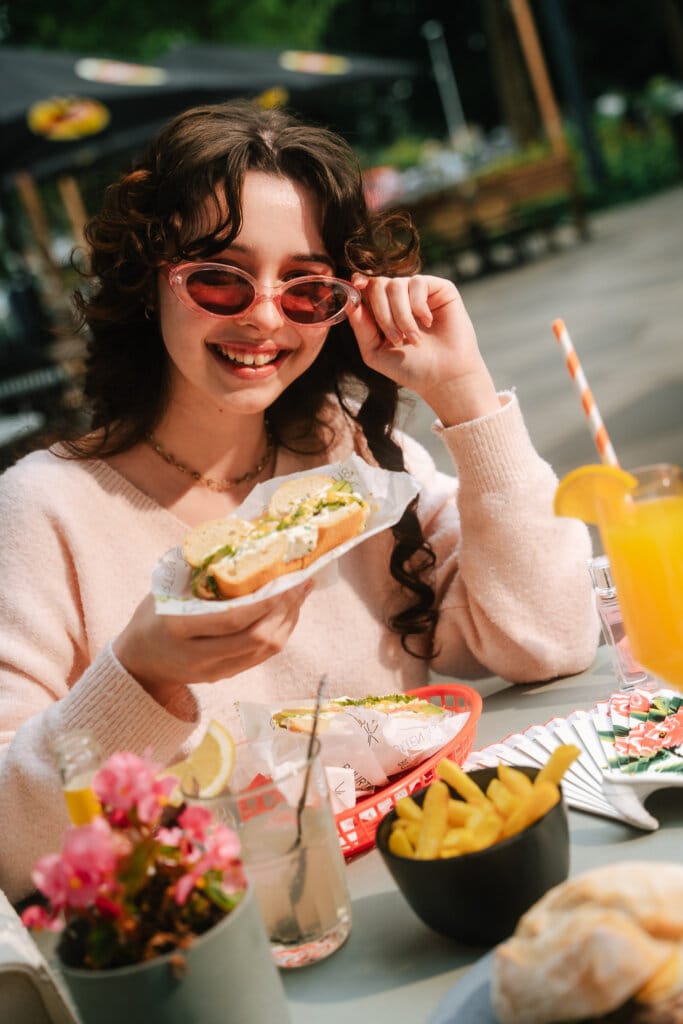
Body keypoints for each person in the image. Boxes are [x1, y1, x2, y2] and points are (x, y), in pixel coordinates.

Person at [0, 100, 599, 903]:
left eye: (307, 287)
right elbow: (14, 847)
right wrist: (138, 674)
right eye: (220, 277)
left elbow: (549, 639)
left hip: (424, 898)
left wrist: (463, 393)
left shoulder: (349, 461)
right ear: (149, 282)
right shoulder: (44, 510)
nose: (265, 315)